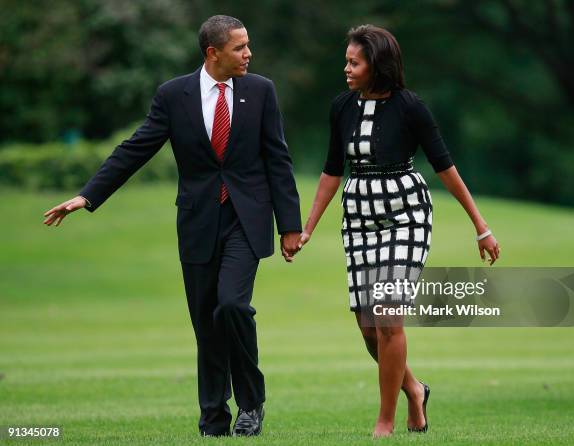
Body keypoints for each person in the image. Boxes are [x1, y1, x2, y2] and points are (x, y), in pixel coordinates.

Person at [43, 15, 303, 437]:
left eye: (248, 45)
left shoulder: (261, 91)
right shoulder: (173, 95)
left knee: (232, 306)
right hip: (198, 222)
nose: (248, 54)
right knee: (206, 322)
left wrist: (289, 225)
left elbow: (278, 159)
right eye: (239, 48)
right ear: (212, 53)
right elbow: (136, 148)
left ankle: (251, 403)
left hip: (246, 220)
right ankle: (214, 417)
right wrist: (87, 196)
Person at [298, 25, 500, 437]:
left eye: (355, 62)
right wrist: (308, 228)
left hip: (405, 215)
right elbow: (332, 171)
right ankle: (414, 388)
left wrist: (481, 226)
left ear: (378, 64)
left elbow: (446, 168)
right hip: (358, 217)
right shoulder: (341, 107)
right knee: (369, 327)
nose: (347, 69)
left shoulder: (411, 107)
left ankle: (385, 421)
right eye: (347, 61)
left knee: (389, 318)